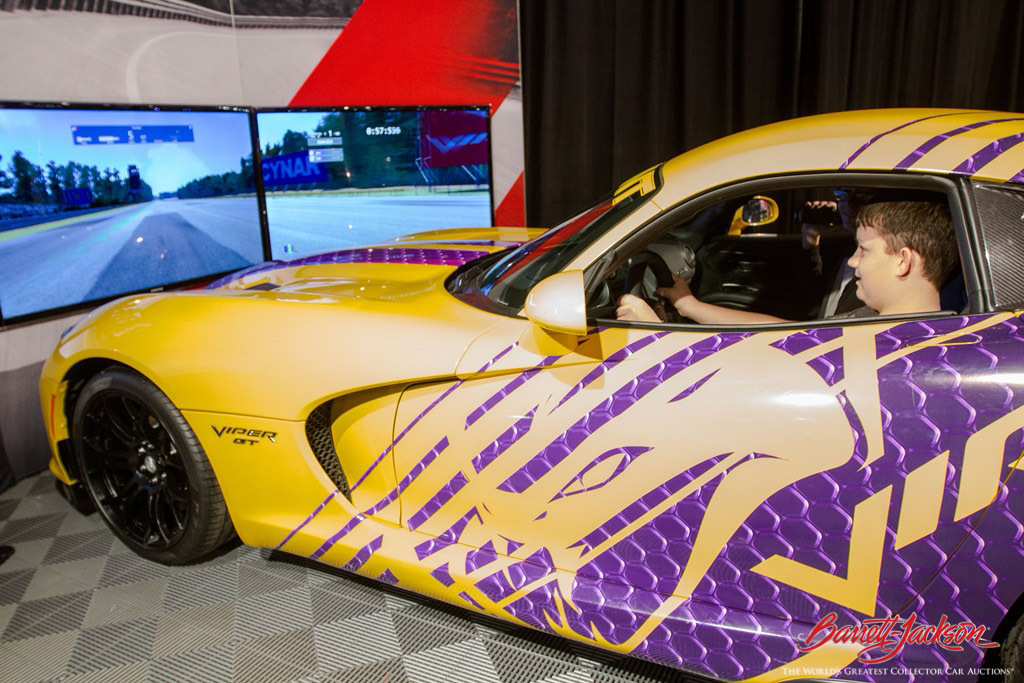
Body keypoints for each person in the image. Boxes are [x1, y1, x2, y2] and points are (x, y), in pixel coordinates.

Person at [616, 201, 958, 324]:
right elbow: (778, 332)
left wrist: (652, 337)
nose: (852, 261)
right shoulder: (874, 323)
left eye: (864, 250)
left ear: (903, 261)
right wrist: (688, 305)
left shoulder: (893, 346)